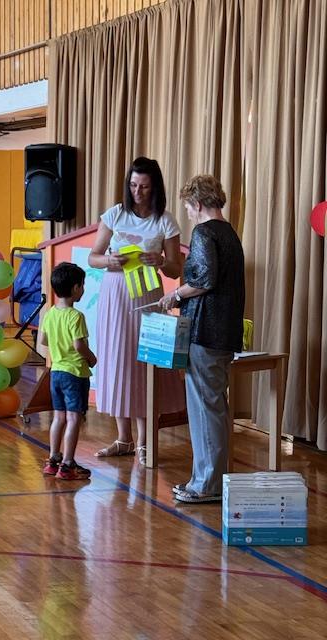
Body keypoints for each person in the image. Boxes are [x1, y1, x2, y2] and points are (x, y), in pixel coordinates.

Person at [88, 157, 185, 464]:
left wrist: (161, 262)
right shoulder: (115, 214)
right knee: (118, 359)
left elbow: (176, 269)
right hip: (115, 293)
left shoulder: (165, 220)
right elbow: (93, 257)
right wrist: (109, 261)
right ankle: (123, 438)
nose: (137, 192)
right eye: (132, 185)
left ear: (154, 187)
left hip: (148, 294)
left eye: (143, 187)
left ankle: (145, 441)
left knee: (146, 362)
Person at [159, 174, 245, 503]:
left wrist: (175, 295)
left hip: (206, 332)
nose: (188, 213)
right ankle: (208, 480)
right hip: (223, 333)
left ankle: (206, 485)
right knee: (214, 408)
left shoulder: (204, 232)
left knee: (205, 410)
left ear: (196, 203)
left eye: (187, 207)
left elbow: (205, 278)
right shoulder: (229, 232)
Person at [39, 262, 97, 480]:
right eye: (82, 285)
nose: (83, 290)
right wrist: (91, 358)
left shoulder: (50, 314)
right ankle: (68, 464)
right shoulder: (76, 316)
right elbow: (78, 345)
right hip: (75, 373)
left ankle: (53, 460)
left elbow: (43, 340)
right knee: (74, 418)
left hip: (56, 372)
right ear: (75, 288)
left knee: (59, 417)